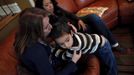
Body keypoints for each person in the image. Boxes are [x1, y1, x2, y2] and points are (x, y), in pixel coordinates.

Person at [14, 7, 82, 75]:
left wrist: (67, 27)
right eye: (46, 27)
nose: (51, 27)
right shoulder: (36, 52)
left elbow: (56, 25)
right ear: (35, 32)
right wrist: (73, 62)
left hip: (55, 59)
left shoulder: (26, 34)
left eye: (49, 22)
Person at [35, 0, 124, 51]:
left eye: (50, 3)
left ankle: (114, 43)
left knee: (93, 17)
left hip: (75, 21)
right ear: (41, 7)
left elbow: (69, 14)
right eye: (47, 5)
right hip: (72, 30)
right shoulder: (46, 20)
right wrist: (69, 25)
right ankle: (104, 45)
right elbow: (58, 32)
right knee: (92, 27)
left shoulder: (56, 9)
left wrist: (79, 19)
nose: (50, 6)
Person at [50, 18, 118, 75]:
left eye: (67, 40)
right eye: (61, 44)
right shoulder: (72, 33)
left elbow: (65, 57)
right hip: (95, 41)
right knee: (104, 62)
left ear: (71, 33)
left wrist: (54, 50)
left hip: (102, 45)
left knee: (110, 63)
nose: (66, 45)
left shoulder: (75, 46)